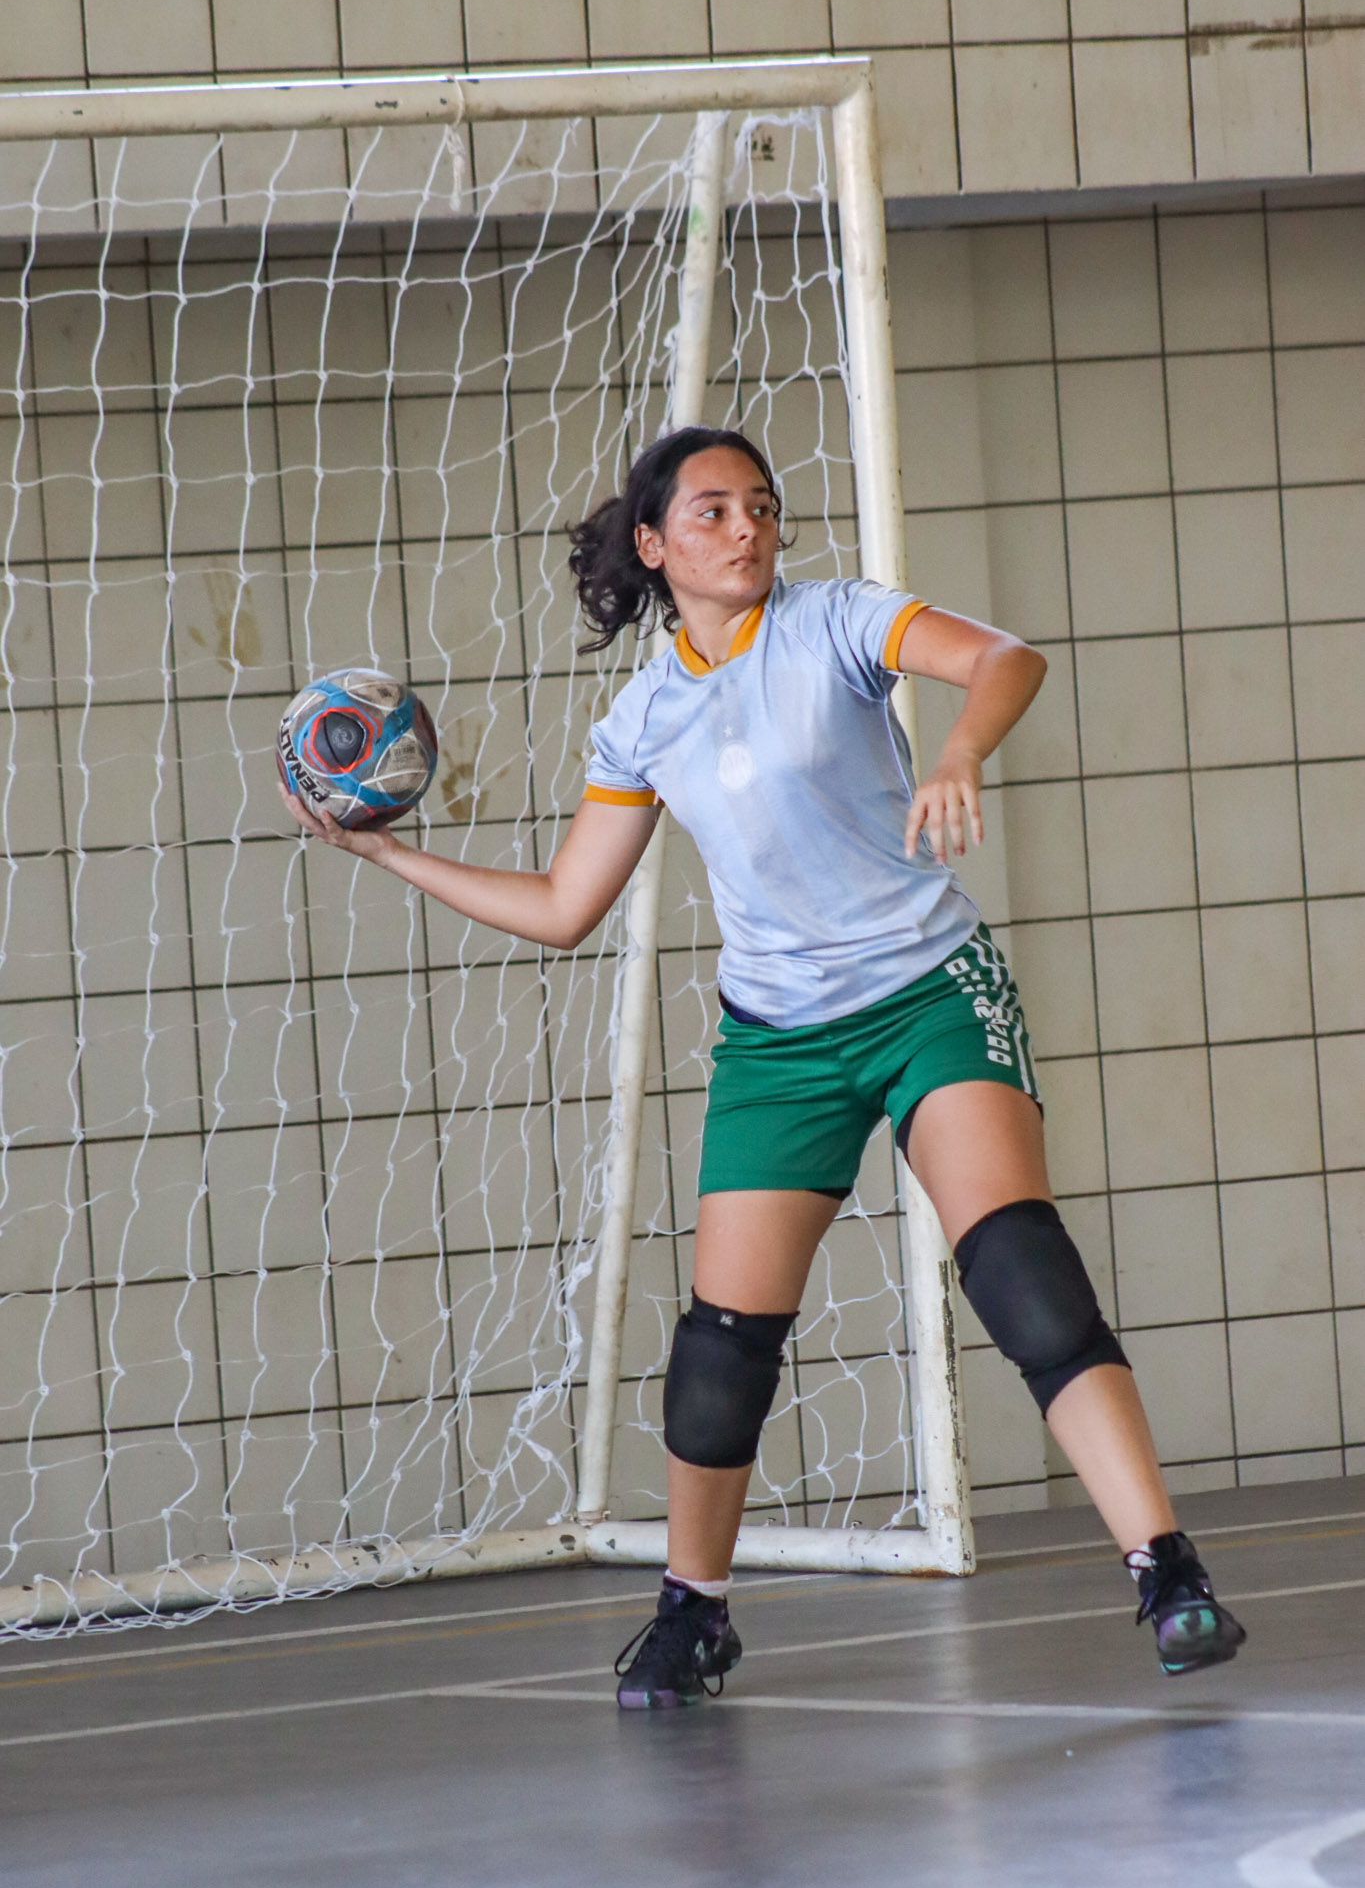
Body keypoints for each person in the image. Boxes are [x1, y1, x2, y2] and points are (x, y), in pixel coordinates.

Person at [279, 425, 1246, 1710]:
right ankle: (694, 1610)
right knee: (721, 1350)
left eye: (762, 506)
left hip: (926, 993)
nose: (746, 528)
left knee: (1022, 1270)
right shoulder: (640, 719)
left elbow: (1006, 657)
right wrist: (390, 855)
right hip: (778, 1039)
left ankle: (1167, 1570)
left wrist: (959, 750)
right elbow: (566, 906)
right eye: (713, 510)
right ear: (652, 543)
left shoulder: (837, 623)